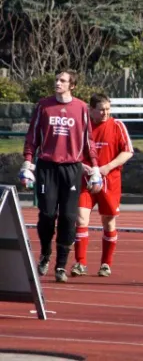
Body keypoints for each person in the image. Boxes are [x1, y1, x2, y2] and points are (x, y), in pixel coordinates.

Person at [20, 70, 102, 283]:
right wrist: (28, 162)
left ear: (71, 85)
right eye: (56, 80)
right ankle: (46, 252)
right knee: (47, 214)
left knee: (68, 217)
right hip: (47, 166)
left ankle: (61, 265)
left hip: (72, 168)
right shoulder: (43, 106)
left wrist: (94, 167)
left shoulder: (82, 108)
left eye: (63, 81)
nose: (58, 83)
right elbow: (32, 136)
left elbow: (88, 140)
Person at [70, 93, 134, 278]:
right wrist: (85, 168)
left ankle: (106, 264)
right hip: (85, 180)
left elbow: (128, 152)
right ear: (91, 110)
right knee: (81, 219)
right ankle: (80, 263)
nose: (105, 113)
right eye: (101, 110)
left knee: (108, 221)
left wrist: (106, 168)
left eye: (108, 109)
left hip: (109, 181)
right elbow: (71, 152)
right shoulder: (83, 126)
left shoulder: (117, 126)